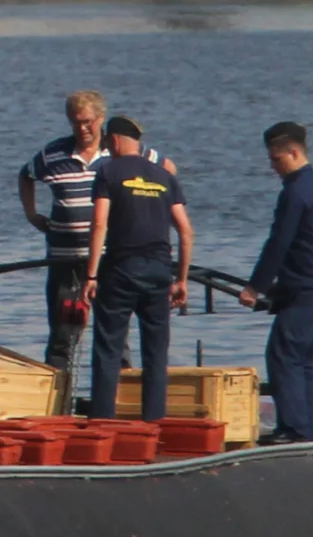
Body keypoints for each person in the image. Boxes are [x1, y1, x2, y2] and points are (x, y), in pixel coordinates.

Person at [17, 90, 173, 372]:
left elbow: (167, 169)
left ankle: (117, 402)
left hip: (111, 261)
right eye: (75, 122)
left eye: (88, 121)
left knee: (115, 337)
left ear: (101, 119)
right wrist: (31, 213)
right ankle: (58, 405)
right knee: (63, 337)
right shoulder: (52, 154)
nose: (83, 128)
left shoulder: (121, 153)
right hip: (65, 259)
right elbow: (25, 175)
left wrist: (152, 212)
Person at [85, 115, 193, 421]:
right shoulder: (164, 175)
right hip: (159, 272)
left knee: (108, 349)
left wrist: (91, 275)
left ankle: (103, 424)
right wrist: (182, 279)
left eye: (107, 143)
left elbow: (99, 223)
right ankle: (153, 425)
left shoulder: (108, 172)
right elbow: (185, 231)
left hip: (120, 270)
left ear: (115, 140)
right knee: (156, 354)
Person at [239, 120, 313, 443]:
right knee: (303, 359)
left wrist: (255, 287)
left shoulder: (297, 192)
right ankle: (311, 430)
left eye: (277, 160)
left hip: (308, 291)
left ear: (295, 153)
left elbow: (279, 243)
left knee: (283, 354)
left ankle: (295, 428)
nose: (273, 167)